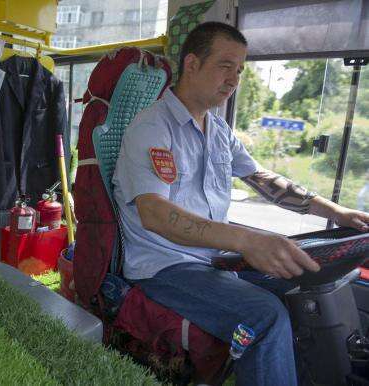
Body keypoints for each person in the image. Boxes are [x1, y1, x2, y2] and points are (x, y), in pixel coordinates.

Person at [112, 22, 369, 386]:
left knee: (307, 282)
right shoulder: (152, 128)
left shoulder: (218, 131)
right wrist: (247, 240)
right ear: (192, 64)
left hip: (214, 260)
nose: (234, 78)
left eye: (240, 70)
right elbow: (154, 214)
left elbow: (263, 180)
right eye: (225, 65)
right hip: (165, 266)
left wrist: (335, 212)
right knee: (264, 315)